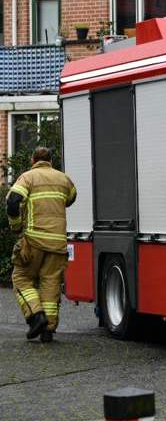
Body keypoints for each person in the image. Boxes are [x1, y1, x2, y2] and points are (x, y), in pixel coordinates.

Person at [8, 147, 77, 343]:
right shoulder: (64, 179)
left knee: (21, 277)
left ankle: (36, 316)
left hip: (33, 241)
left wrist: (16, 227)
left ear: (33, 160)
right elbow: (71, 198)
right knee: (51, 283)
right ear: (51, 161)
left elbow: (13, 202)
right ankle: (48, 330)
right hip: (58, 243)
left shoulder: (27, 177)